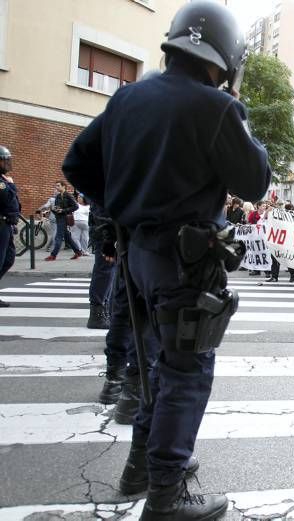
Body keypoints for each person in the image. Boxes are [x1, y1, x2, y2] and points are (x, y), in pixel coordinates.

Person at [62, 1, 270, 518]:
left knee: (156, 364)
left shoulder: (127, 98)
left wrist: (116, 209)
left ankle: (141, 466)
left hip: (137, 256)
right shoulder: (216, 107)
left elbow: (77, 163)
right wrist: (234, 108)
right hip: (185, 261)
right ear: (224, 57)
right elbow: (255, 181)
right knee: (186, 371)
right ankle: (166, 492)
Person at [0, 145, 20, 308]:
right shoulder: (2, 183)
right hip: (1, 224)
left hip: (7, 224)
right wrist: (11, 185)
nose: (7, 163)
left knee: (9, 258)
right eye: (4, 160)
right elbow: (6, 198)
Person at [44, 181, 82, 261]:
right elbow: (57, 207)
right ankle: (78, 252)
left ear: (64, 186)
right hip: (58, 218)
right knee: (67, 237)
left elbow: (76, 206)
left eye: (58, 186)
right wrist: (54, 209)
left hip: (65, 218)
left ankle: (53, 255)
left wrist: (64, 210)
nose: (56, 187)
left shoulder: (68, 195)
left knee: (58, 237)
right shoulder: (57, 196)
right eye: (56, 186)